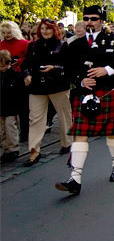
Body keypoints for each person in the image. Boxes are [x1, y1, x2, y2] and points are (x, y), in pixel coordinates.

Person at [55, 5, 114, 195]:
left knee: (111, 133)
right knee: (80, 135)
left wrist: (108, 70)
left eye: (93, 19)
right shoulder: (75, 44)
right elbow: (66, 70)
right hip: (84, 95)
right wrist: (80, 80)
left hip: (107, 93)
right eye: (86, 19)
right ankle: (75, 178)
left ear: (101, 20)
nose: (89, 22)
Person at [21, 19, 73, 166]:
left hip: (58, 86)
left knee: (64, 115)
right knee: (35, 119)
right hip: (37, 86)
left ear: (54, 30)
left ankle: (67, 143)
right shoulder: (33, 46)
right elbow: (26, 63)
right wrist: (26, 74)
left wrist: (54, 67)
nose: (45, 31)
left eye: (48, 28)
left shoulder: (62, 45)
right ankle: (34, 151)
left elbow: (69, 66)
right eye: (42, 28)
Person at [0, 21, 30, 143]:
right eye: (4, 33)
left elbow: (30, 60)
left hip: (21, 78)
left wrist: (20, 62)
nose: (7, 35)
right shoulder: (1, 44)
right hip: (5, 79)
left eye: (9, 32)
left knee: (23, 108)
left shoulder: (24, 44)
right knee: (9, 110)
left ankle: (25, 132)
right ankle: (9, 137)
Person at [0, 50, 22, 164]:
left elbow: (19, 92)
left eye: (3, 66)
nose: (1, 69)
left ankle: (13, 148)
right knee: (2, 129)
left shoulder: (14, 75)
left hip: (11, 106)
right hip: (2, 106)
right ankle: (6, 148)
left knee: (10, 127)